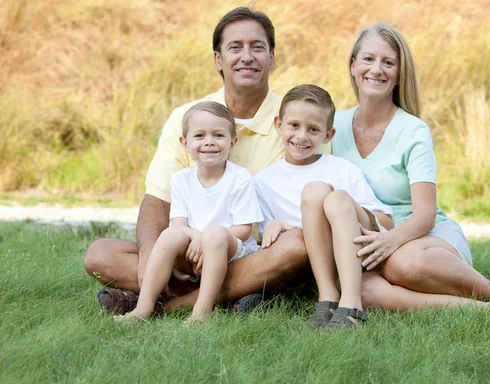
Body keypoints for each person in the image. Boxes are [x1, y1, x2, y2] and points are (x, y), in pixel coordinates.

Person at [85, 7, 327, 313]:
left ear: (272, 58)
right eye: (235, 47)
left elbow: (314, 210)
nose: (247, 57)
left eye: (258, 47)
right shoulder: (187, 118)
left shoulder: (298, 122)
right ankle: (237, 296)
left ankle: (168, 304)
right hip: (190, 251)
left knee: (298, 247)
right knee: (100, 255)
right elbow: (157, 200)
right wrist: (149, 254)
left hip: (257, 253)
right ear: (218, 59)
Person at [331, 23, 490, 315]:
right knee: (363, 292)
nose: (377, 69)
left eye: (388, 62)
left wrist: (389, 242)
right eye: (368, 59)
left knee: (402, 265)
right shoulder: (333, 127)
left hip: (424, 240)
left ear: (398, 75)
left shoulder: (413, 131)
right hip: (370, 245)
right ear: (353, 65)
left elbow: (425, 215)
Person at [254, 84, 394, 330]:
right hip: (316, 265)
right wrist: (271, 225)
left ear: (328, 135)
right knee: (383, 295)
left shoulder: (341, 169)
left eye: (313, 129)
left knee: (323, 193)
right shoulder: (263, 182)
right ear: (279, 125)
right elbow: (259, 239)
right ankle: (328, 298)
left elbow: (384, 222)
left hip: (355, 248)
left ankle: (351, 305)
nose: (302, 136)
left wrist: (338, 207)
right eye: (294, 125)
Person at [114, 102, 263, 324]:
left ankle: (201, 313)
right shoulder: (181, 179)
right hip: (193, 248)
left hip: (232, 250)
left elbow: (243, 229)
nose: (209, 141)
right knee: (169, 235)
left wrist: (205, 237)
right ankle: (143, 308)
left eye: (218, 135)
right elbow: (178, 225)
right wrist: (197, 238)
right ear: (185, 143)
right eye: (200, 135)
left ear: (232, 143)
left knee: (214, 234)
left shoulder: (240, 178)